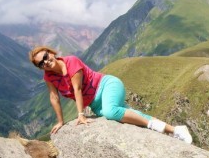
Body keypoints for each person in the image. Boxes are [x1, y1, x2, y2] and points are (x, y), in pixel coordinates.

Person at [29, 46, 193, 144]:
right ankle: (175, 130)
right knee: (132, 115)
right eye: (40, 63)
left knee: (111, 112)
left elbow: (77, 89)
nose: (45, 62)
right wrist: (60, 122)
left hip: (107, 86)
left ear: (51, 53)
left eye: (45, 56)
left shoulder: (71, 61)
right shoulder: (49, 77)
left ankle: (157, 127)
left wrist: (80, 115)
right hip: (95, 104)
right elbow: (54, 97)